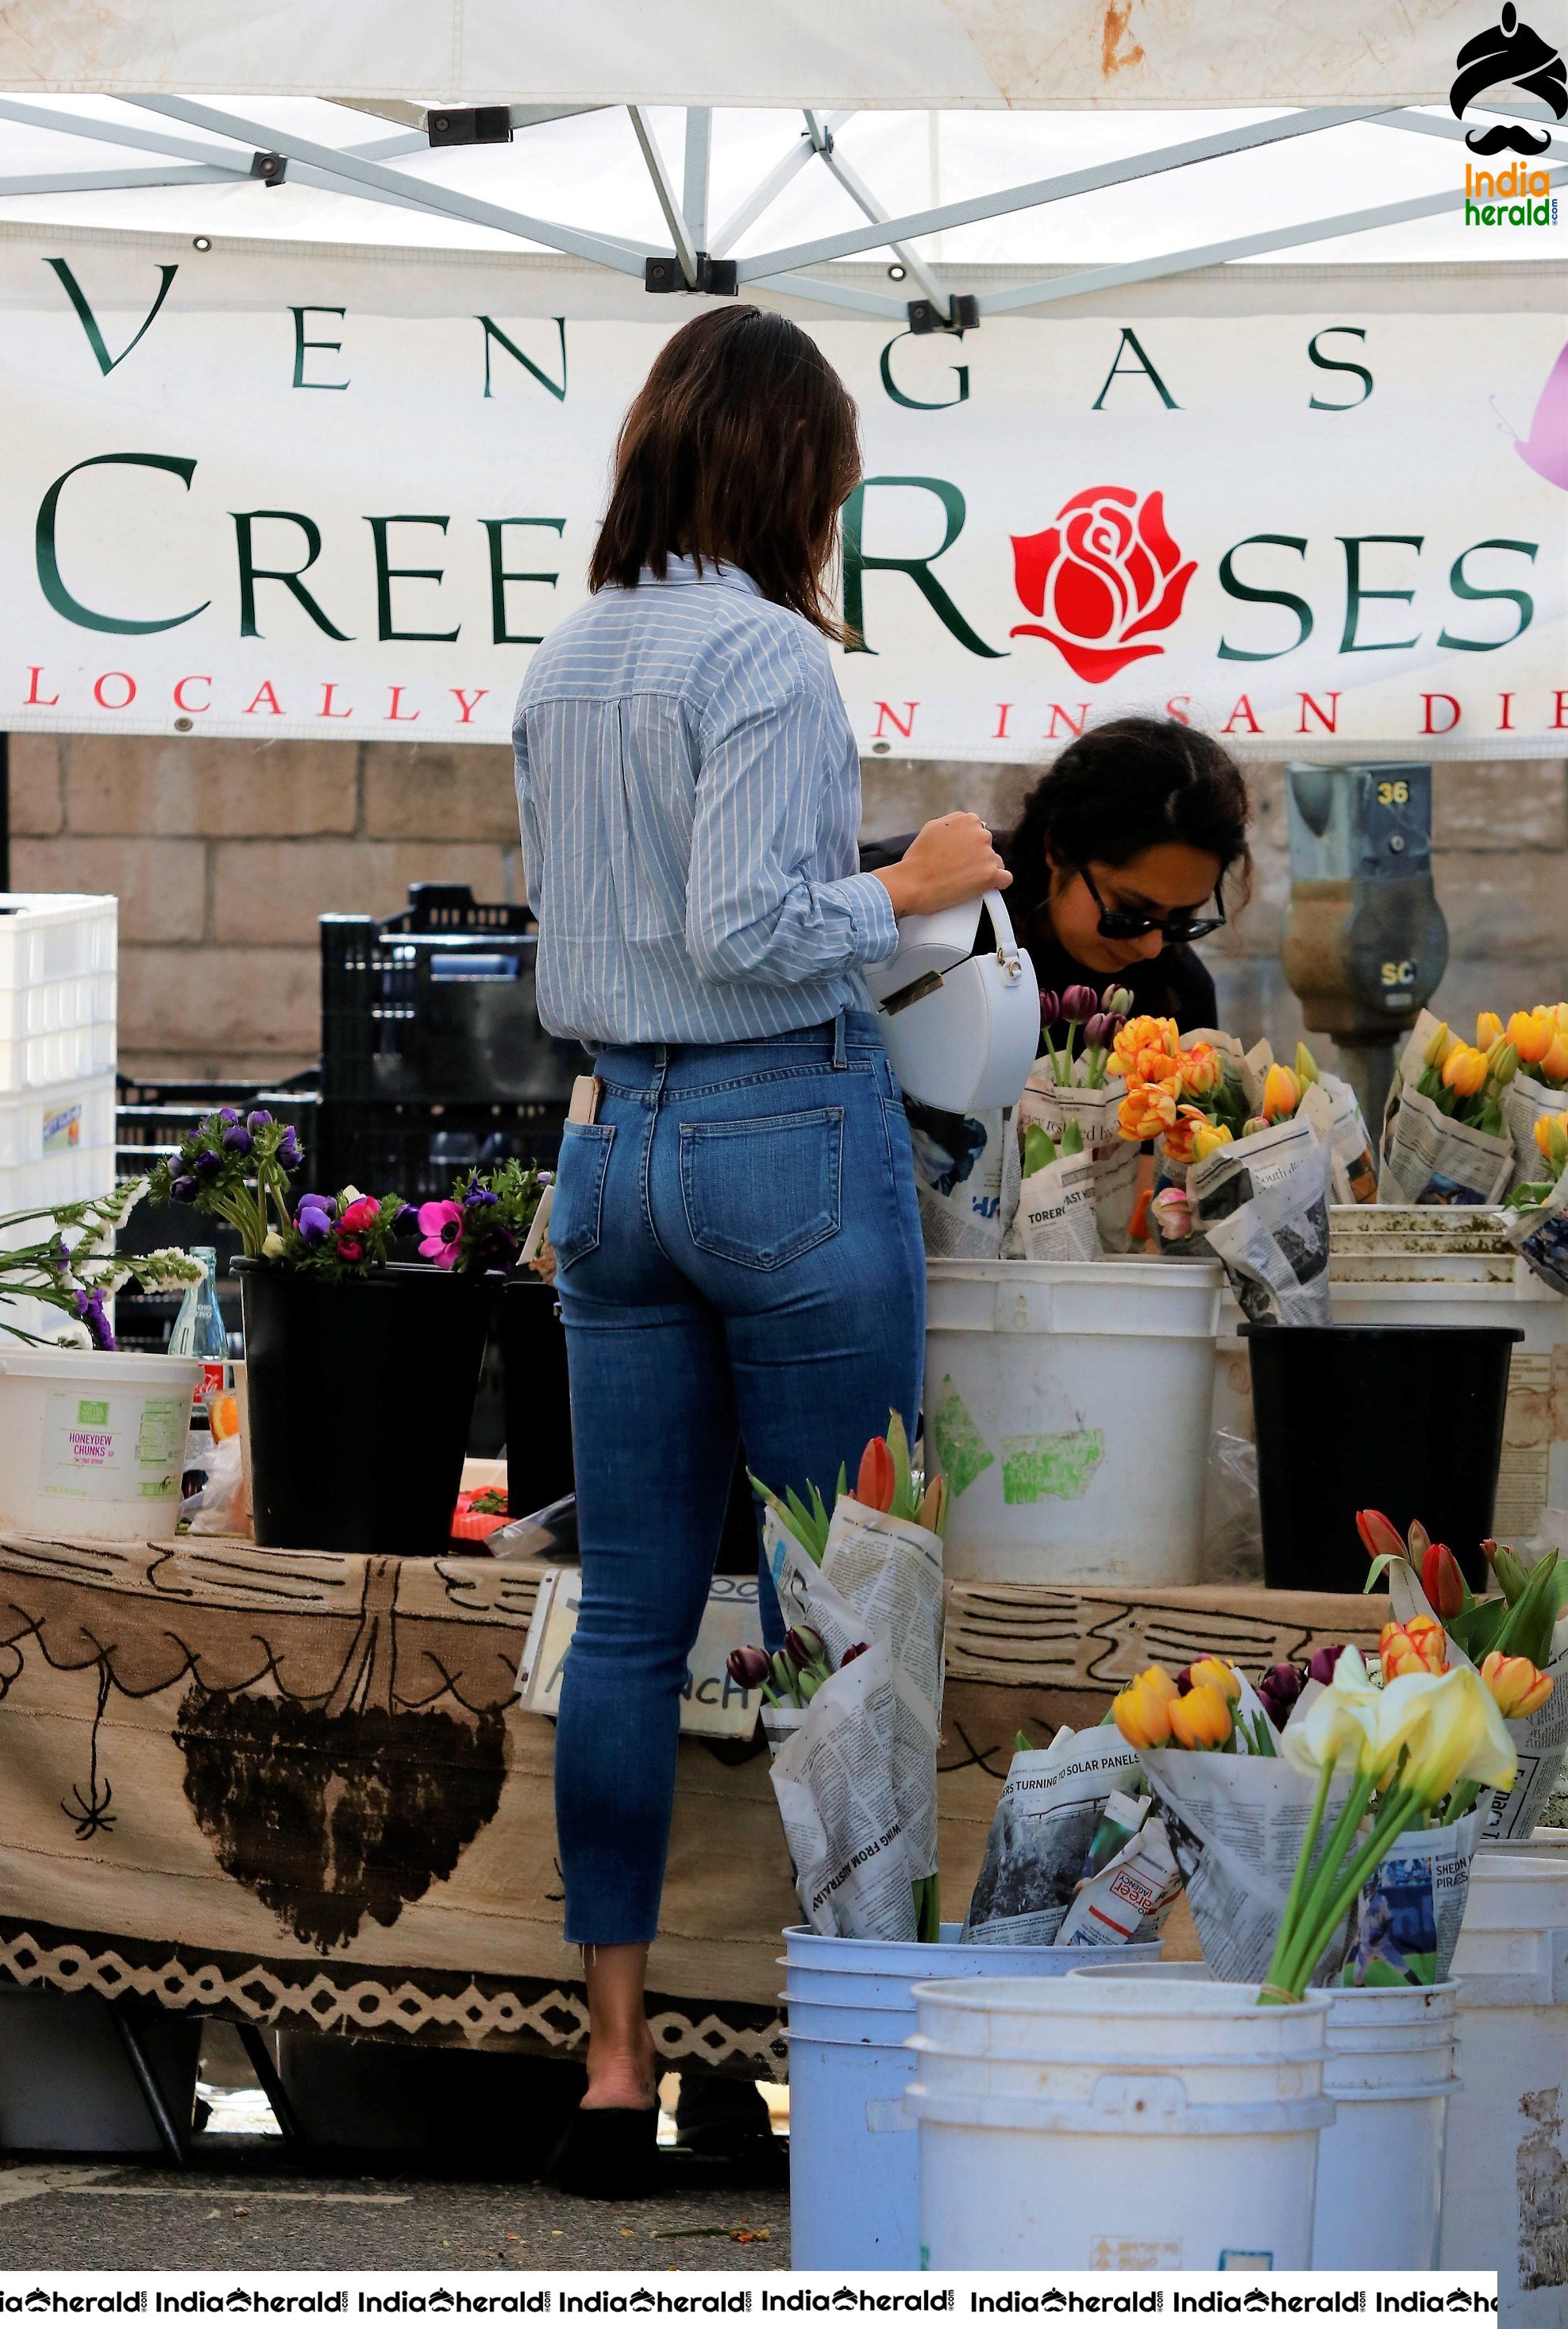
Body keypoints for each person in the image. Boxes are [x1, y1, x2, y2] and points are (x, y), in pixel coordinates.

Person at [510, 306, 1006, 2196]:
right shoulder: (774, 658)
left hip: (613, 1146)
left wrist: (839, 875)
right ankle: (865, 2065)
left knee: (636, 1621)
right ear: (796, 471)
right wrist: (917, 880)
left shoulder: (570, 659)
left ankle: (613, 2071)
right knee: (850, 1608)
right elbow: (747, 927)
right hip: (778, 1135)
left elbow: (637, 922)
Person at [860, 715, 1251, 1031]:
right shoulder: (917, 903)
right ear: (1059, 847)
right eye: (1128, 913)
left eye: (1183, 920)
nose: (1150, 947)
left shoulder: (1177, 995)